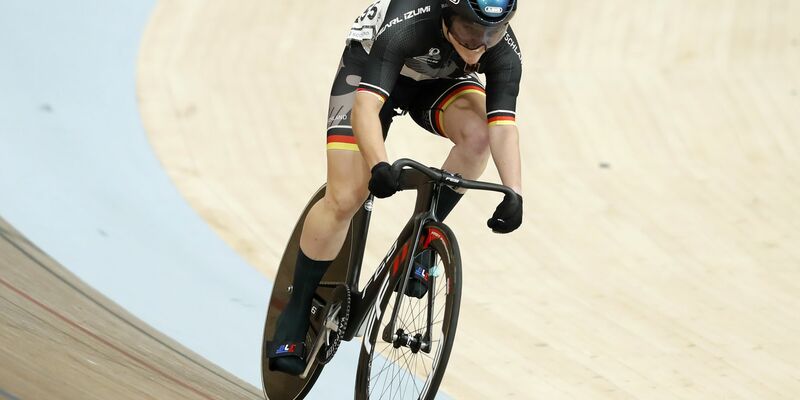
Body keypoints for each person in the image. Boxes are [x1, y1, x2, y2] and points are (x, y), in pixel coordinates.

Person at [268, 0, 524, 375]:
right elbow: (367, 108)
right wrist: (379, 166)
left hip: (440, 79)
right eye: (471, 30)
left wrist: (514, 191)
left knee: (478, 136)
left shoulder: (502, 52)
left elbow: (502, 125)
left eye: (493, 32)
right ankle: (296, 307)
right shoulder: (409, 22)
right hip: (370, 68)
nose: (480, 43)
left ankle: (422, 241)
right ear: (447, 14)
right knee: (347, 196)